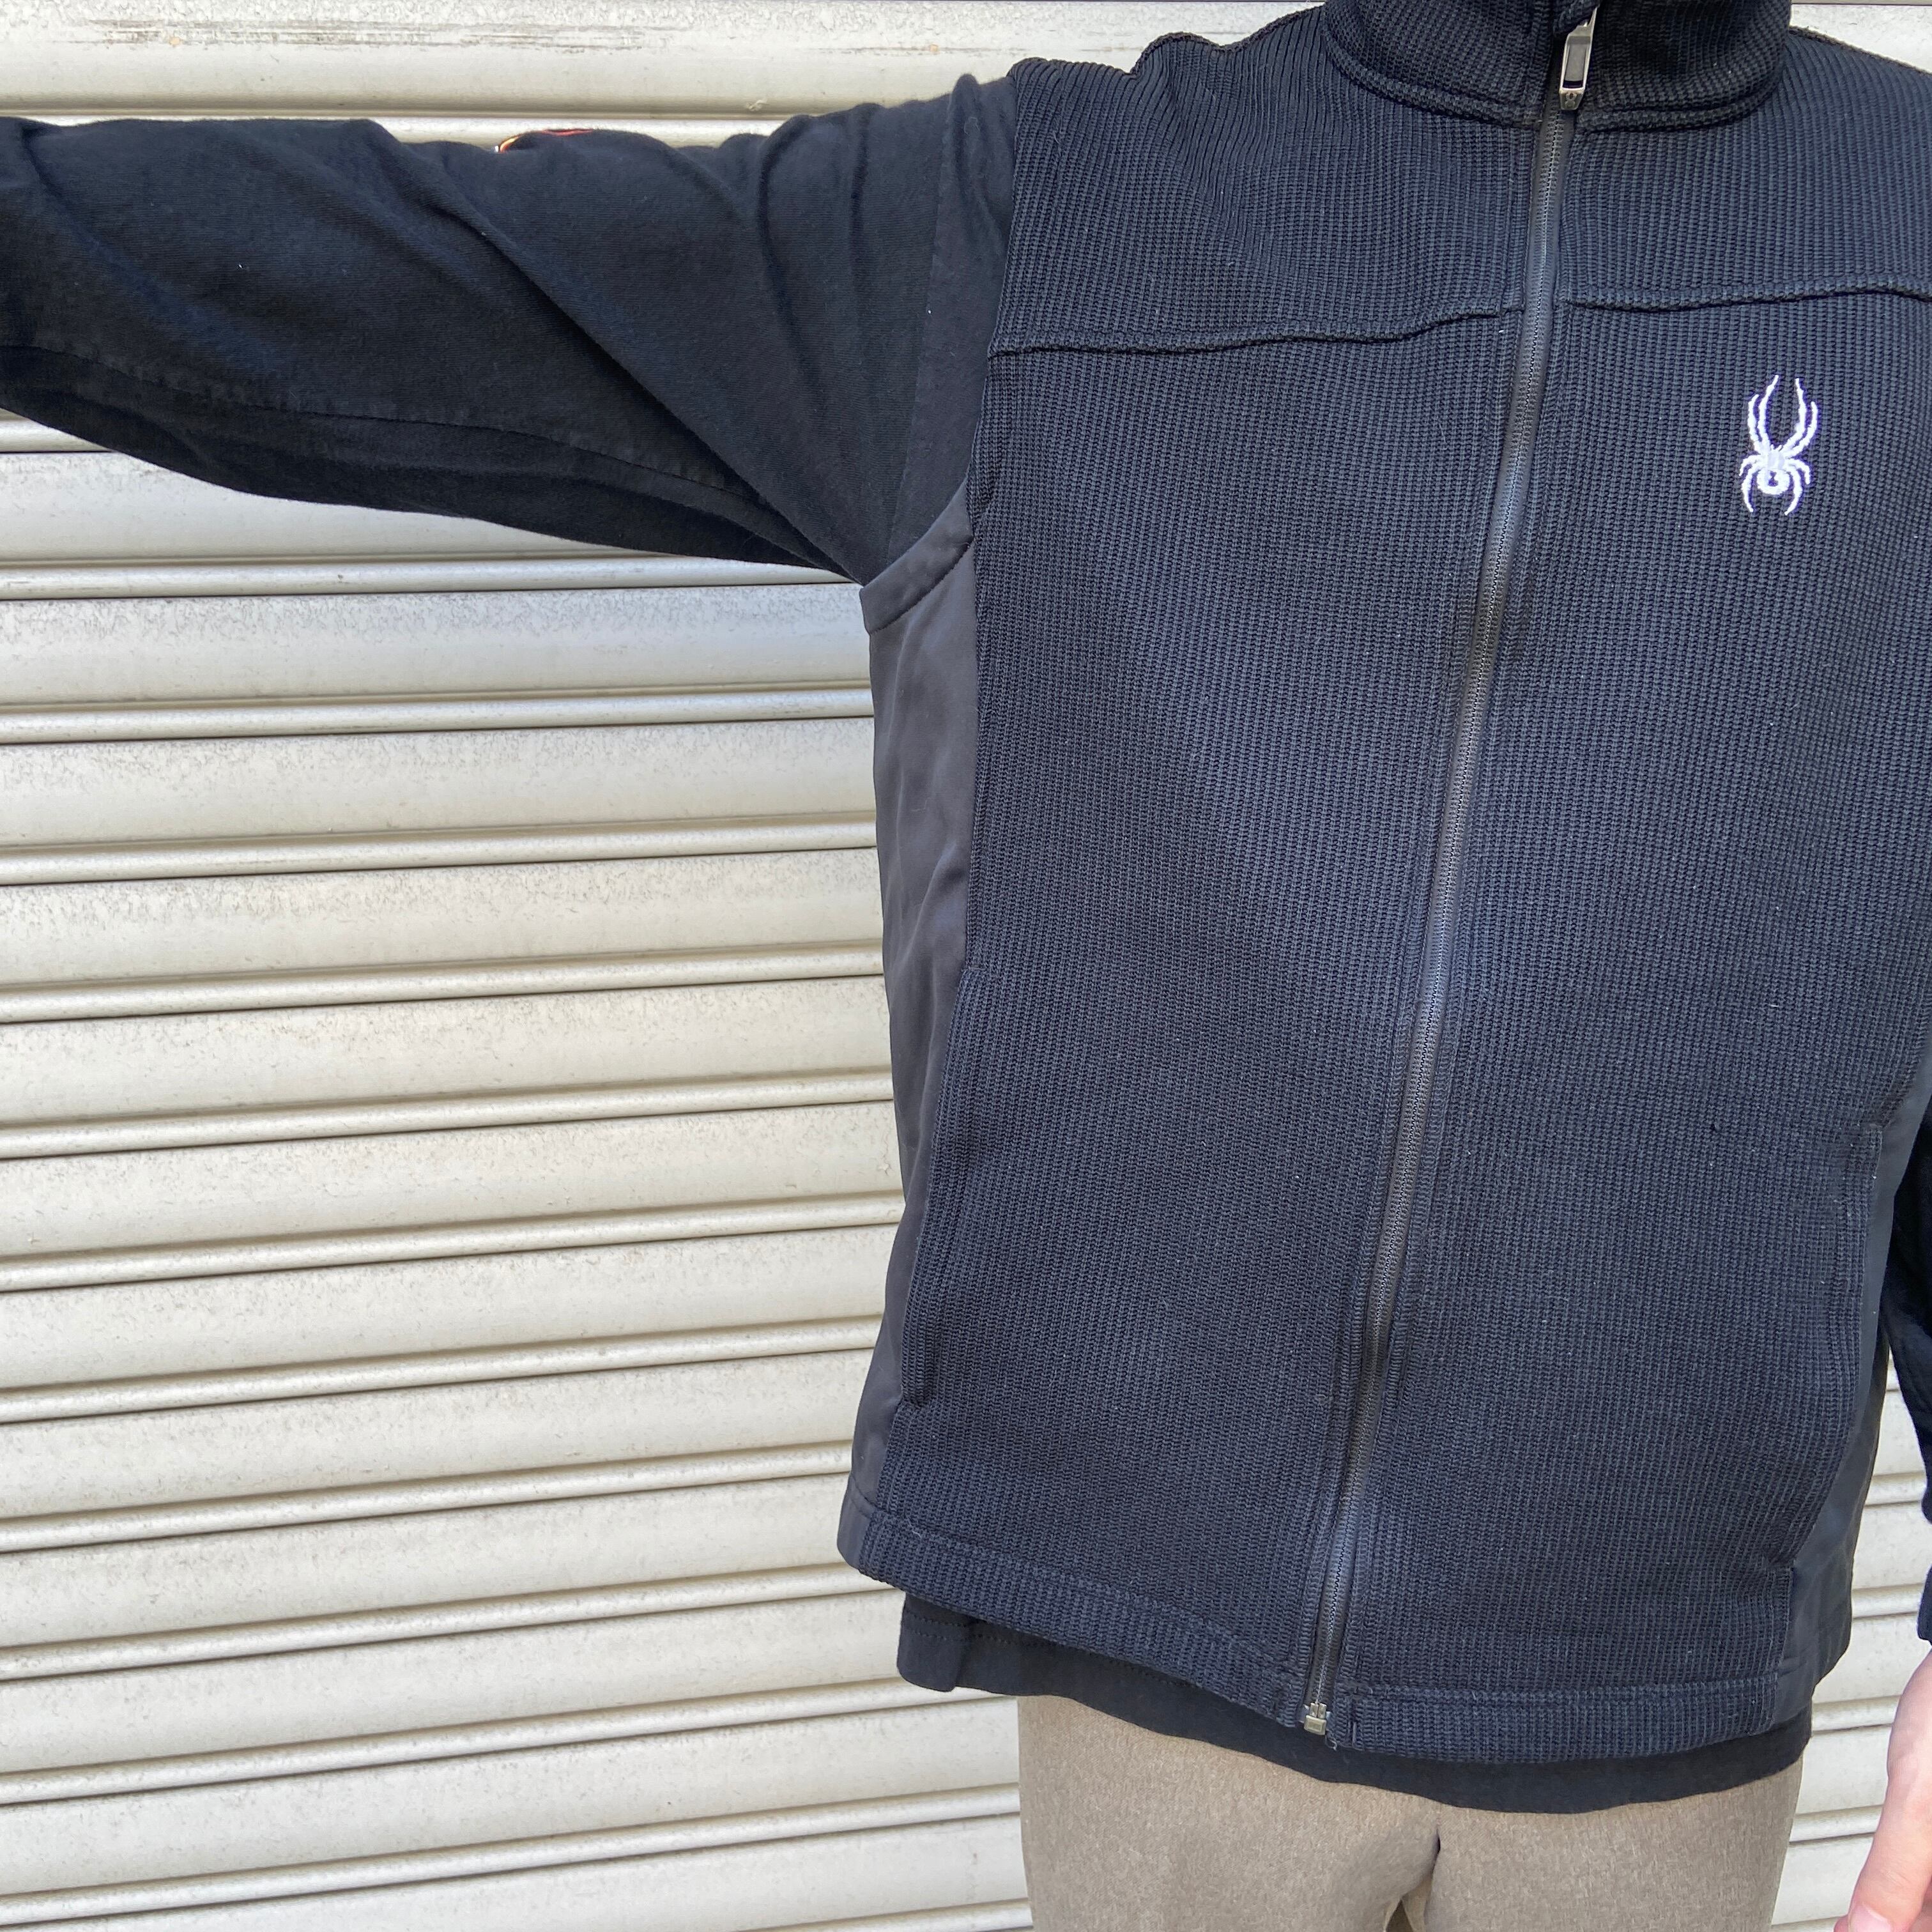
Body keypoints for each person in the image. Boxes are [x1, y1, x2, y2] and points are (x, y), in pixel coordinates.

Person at [3, 0, 1931, 1926]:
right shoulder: (1055, 218)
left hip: (1657, 1697)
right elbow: (428, 271)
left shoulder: (1905, 224)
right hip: (1164, 1669)